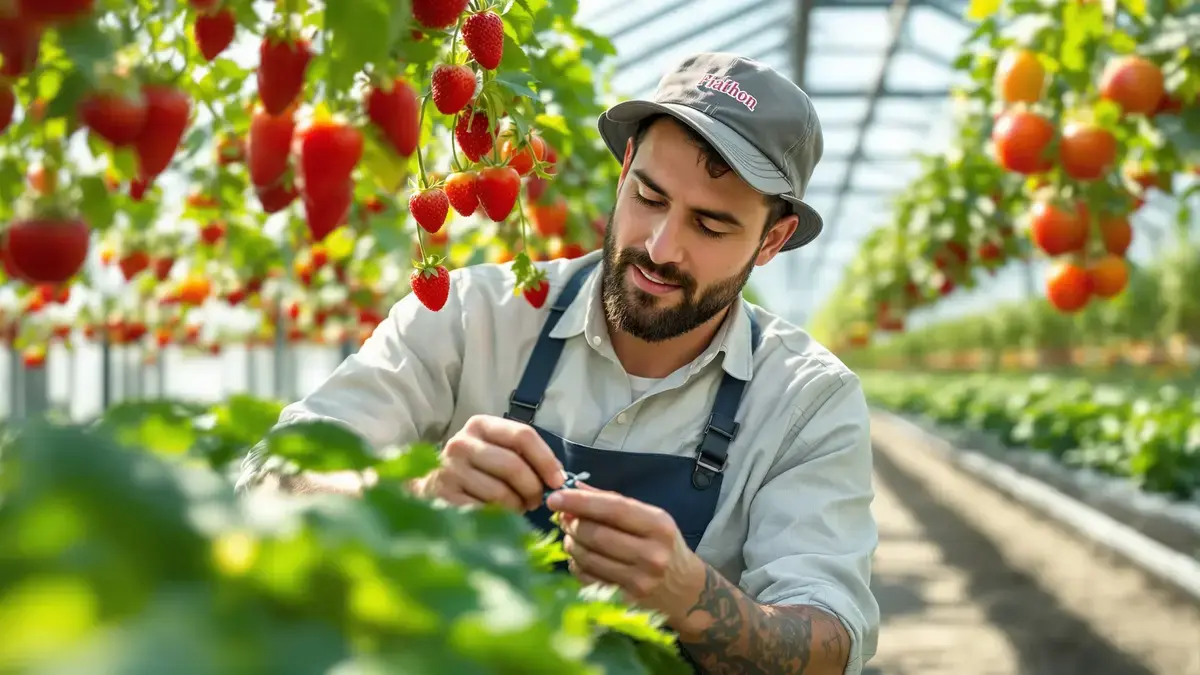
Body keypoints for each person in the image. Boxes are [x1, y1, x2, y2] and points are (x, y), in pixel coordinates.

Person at [237, 52, 880, 675]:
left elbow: (828, 641)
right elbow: (275, 468)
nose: (661, 247)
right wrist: (412, 495)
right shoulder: (471, 316)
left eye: (711, 227)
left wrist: (689, 597)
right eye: (649, 198)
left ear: (773, 239)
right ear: (625, 166)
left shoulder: (806, 400)